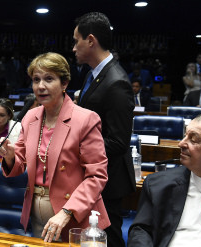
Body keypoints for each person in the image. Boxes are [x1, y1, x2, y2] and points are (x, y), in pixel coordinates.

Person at [0, 52, 110, 242]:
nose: (41, 86)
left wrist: (67, 212)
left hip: (75, 216)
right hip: (37, 213)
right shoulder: (30, 117)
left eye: (49, 79)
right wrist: (9, 156)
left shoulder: (85, 119)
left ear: (64, 83)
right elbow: (19, 165)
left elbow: (97, 176)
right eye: (36, 79)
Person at [72, 12, 136, 247]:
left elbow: (118, 142)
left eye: (76, 40)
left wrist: (75, 146)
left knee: (110, 239)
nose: (73, 47)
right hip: (91, 174)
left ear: (90, 40)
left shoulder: (116, 82)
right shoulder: (94, 74)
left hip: (108, 181)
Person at [128, 112, 201, 246]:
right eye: (184, 135)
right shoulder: (159, 185)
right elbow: (141, 231)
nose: (181, 144)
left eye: (193, 139)